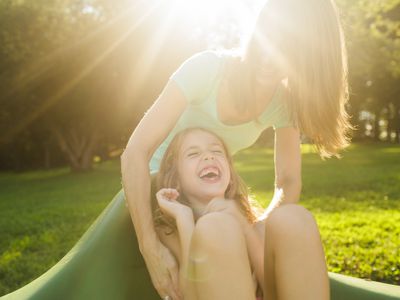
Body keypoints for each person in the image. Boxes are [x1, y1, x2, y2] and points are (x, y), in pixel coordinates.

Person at [121, 0, 353, 299]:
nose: (270, 58)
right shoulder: (206, 70)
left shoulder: (284, 103)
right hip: (166, 194)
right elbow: (135, 152)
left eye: (288, 51)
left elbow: (288, 181)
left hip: (215, 198)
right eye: (269, 39)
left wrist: (260, 229)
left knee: (294, 219)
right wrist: (150, 247)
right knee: (219, 227)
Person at [151, 127, 328, 300]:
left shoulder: (250, 221)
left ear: (230, 174)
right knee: (215, 225)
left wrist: (245, 227)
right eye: (193, 154)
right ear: (176, 179)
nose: (209, 156)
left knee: (292, 217)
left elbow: (272, 286)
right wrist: (184, 220)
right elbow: (188, 295)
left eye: (217, 151)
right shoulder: (171, 228)